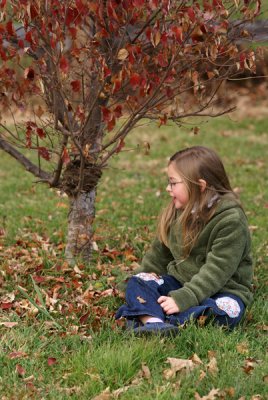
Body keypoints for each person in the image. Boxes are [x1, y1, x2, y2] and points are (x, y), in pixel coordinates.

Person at [115, 146, 253, 336]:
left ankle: (145, 315)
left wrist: (184, 298)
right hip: (180, 282)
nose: (167, 189)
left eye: (173, 183)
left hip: (223, 290)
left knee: (228, 312)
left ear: (200, 185)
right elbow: (158, 256)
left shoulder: (230, 220)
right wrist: (127, 286)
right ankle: (156, 324)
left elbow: (217, 270)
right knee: (139, 282)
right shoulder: (178, 209)